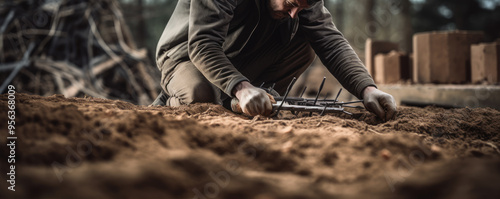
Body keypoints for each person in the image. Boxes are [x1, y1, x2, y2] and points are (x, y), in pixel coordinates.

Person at [153, 0, 397, 121]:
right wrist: (241, 87)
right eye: (290, 4)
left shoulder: (302, 1)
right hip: (184, 55)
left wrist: (367, 88)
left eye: (300, 8)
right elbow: (202, 44)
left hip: (235, 56)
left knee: (304, 46)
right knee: (201, 95)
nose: (293, 14)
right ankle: (174, 97)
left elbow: (330, 41)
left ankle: (252, 103)